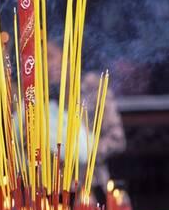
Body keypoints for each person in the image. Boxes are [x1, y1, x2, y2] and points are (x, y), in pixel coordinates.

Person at [47, 38, 126, 198]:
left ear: (69, 55)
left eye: (50, 56)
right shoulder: (41, 96)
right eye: (40, 59)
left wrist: (82, 153)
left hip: (92, 188)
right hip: (53, 193)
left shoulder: (94, 87)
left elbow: (117, 140)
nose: (46, 64)